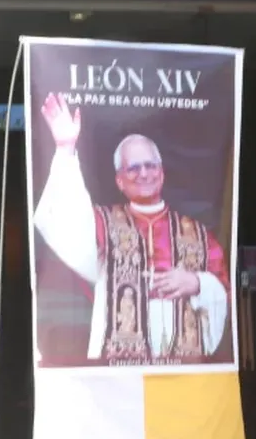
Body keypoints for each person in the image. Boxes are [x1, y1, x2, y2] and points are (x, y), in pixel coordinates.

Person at [33, 92, 230, 364]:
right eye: (133, 168)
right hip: (120, 372)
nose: (144, 173)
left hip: (185, 371)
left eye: (151, 165)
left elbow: (224, 289)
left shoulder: (198, 234)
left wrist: (197, 283)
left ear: (162, 173)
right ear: (120, 181)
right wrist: (66, 148)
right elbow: (66, 225)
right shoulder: (102, 222)